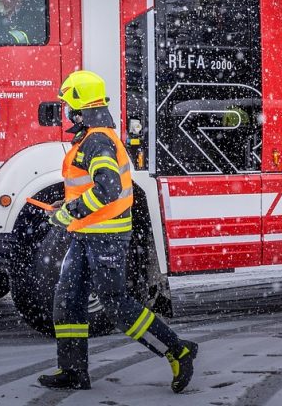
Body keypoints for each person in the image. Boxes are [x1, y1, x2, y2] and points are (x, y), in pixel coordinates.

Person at [37, 70, 198, 392]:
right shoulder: (93, 138)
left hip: (105, 235)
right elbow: (93, 187)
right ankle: (73, 371)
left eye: (68, 105)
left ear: (80, 107)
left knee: (115, 303)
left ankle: (177, 350)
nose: (66, 112)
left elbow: (108, 189)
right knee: (68, 301)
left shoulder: (97, 140)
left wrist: (71, 211)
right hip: (87, 232)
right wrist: (66, 205)